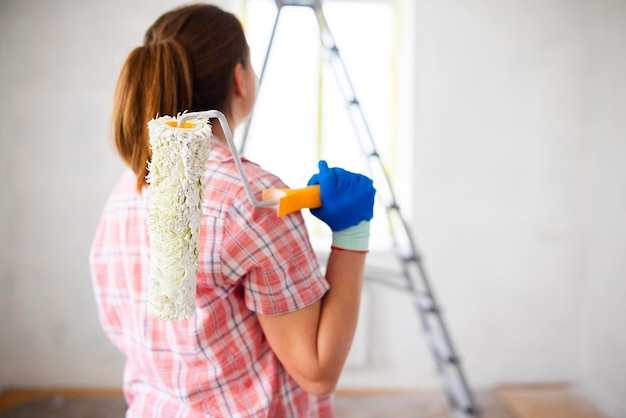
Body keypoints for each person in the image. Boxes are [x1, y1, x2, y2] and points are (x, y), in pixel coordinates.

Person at [89, 3, 375, 417]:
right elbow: (316, 370)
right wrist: (352, 232)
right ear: (240, 79)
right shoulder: (252, 197)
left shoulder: (130, 187)